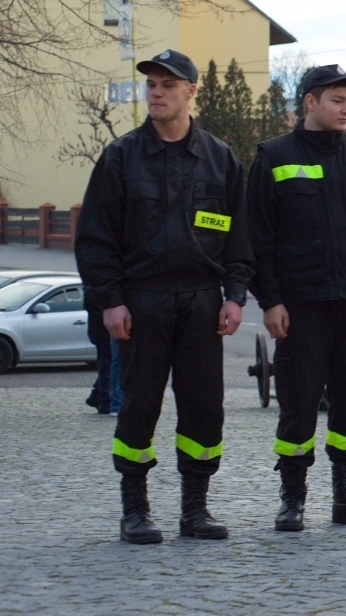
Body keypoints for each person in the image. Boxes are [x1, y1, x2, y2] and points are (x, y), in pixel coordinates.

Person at [75, 49, 251, 545]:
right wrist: (110, 300)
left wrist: (234, 294)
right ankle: (135, 509)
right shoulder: (120, 156)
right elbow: (95, 238)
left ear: (190, 92)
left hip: (201, 300)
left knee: (203, 407)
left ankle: (195, 509)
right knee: (140, 404)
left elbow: (240, 237)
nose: (156, 92)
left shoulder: (220, 158)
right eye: (151, 84)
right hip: (142, 300)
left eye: (167, 85)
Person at [248, 65, 346, 531]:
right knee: (298, 402)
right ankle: (292, 498)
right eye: (337, 100)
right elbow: (258, 237)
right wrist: (270, 300)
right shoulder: (274, 156)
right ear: (310, 102)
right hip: (302, 305)